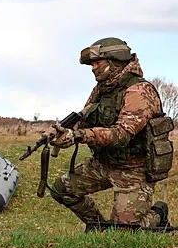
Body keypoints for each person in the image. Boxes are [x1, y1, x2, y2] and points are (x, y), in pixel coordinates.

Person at [43, 37, 174, 228]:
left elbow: (122, 134)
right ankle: (98, 226)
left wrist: (79, 136)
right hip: (103, 164)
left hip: (133, 171)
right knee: (61, 189)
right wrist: (62, 133)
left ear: (115, 62)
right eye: (92, 64)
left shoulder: (139, 91)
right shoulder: (102, 90)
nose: (93, 68)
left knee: (125, 233)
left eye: (97, 63)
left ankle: (157, 214)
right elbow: (85, 119)